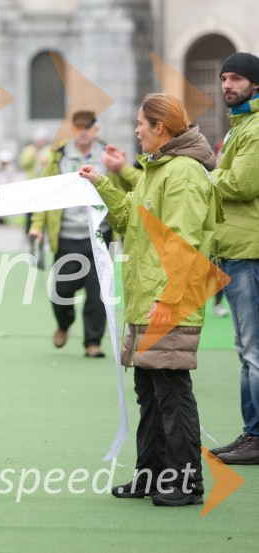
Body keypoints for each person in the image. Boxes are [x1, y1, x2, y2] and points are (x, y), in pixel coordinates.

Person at [80, 93, 218, 506]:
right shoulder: (156, 170)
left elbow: (185, 244)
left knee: (172, 392)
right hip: (147, 301)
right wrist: (102, 184)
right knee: (150, 391)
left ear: (160, 127)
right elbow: (129, 221)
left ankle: (186, 483)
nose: (137, 129)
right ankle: (152, 475)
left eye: (141, 123)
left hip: (167, 302)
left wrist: (166, 300)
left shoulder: (184, 175)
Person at [207, 52, 259, 465]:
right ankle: (252, 433)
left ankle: (257, 437)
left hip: (250, 252)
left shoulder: (255, 128)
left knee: (253, 351)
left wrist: (204, 175)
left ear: (255, 85)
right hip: (238, 250)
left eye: (236, 78)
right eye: (224, 77)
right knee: (246, 348)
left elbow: (240, 184)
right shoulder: (242, 125)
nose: (227, 84)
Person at [29, 110, 111, 358]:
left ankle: (92, 342)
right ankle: (64, 324)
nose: (83, 131)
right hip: (66, 235)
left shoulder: (108, 156)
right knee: (61, 290)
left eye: (87, 127)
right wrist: (37, 225)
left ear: (95, 129)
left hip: (99, 234)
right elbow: (44, 193)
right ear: (73, 130)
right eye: (78, 127)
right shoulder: (58, 158)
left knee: (97, 294)